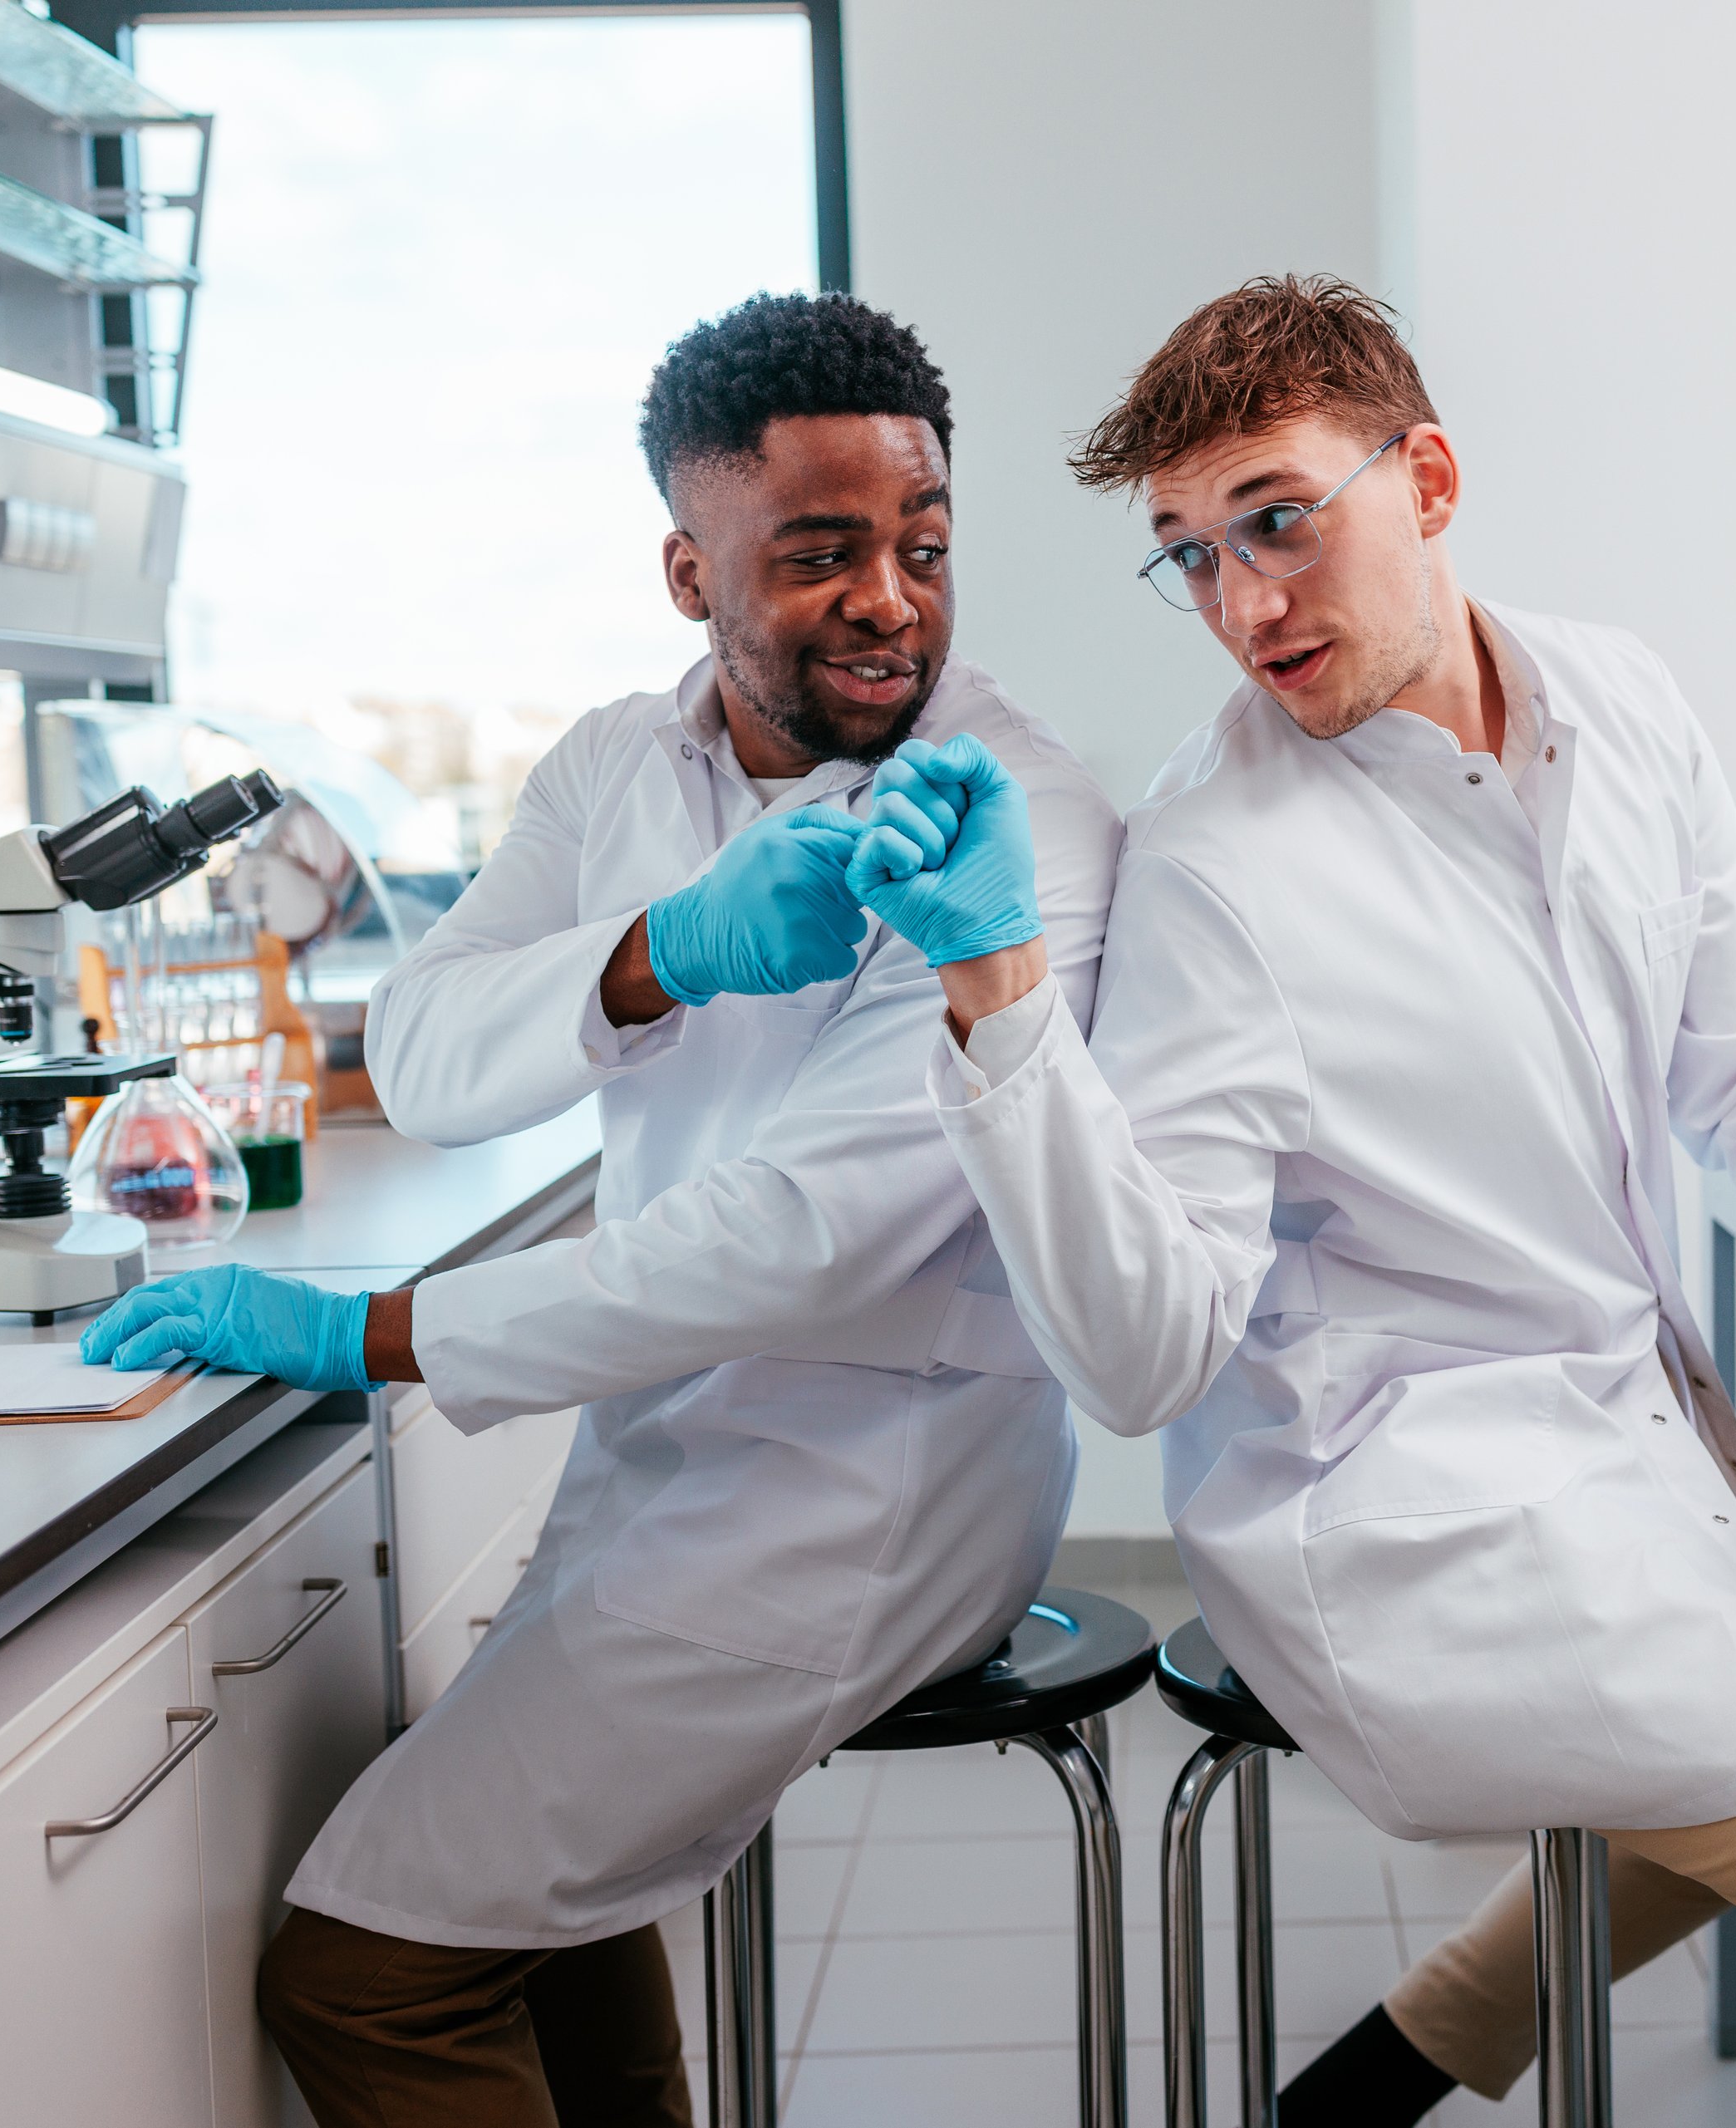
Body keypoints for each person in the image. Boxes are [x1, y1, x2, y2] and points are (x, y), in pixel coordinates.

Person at [843, 276, 1736, 2127]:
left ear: (1423, 476)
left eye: (1278, 519)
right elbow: (1140, 1354)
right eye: (1188, 557)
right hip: (1395, 1500)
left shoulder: (1620, 700)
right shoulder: (1218, 866)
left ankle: (1356, 2091)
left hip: (1611, 1423)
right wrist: (1004, 1014)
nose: (1243, 604)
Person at [76, 292, 1119, 2128]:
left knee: (369, 1972)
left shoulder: (1019, 812)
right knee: (531, 1896)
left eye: (924, 546)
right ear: (685, 565)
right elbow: (424, 1054)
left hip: (876, 1478)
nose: (891, 596)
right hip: (671, 1451)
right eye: (821, 554)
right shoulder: (615, 769)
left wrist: (372, 1334)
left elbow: (819, 1235)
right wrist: (656, 954)